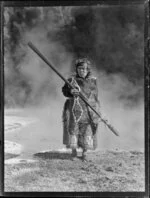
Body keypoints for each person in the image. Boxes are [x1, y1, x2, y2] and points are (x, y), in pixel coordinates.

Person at [62, 58, 101, 162]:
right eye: (80, 68)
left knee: (87, 131)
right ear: (77, 69)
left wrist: (96, 108)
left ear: (88, 70)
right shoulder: (71, 80)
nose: (82, 71)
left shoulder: (93, 80)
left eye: (84, 69)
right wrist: (71, 91)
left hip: (89, 111)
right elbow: (64, 91)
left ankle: (85, 153)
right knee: (74, 130)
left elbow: (95, 95)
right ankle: (74, 152)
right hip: (75, 110)